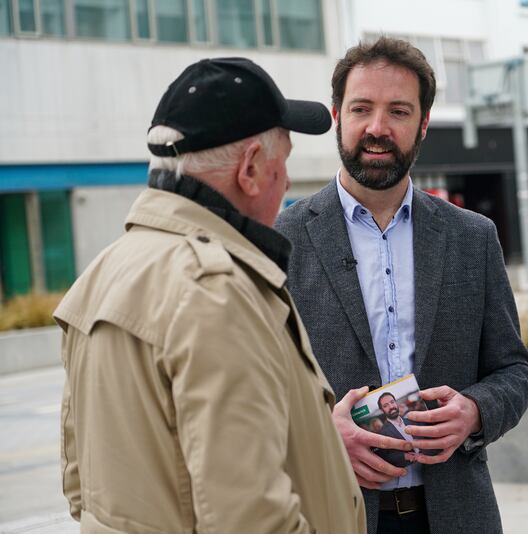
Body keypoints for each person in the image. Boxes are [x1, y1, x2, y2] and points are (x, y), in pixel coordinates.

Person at [54, 58, 366, 534]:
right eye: (283, 165)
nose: (284, 185)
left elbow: (79, 486)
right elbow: (251, 518)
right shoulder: (216, 293)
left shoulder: (103, 271)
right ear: (251, 170)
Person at [275, 37, 528, 534]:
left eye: (398, 110)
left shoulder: (472, 237)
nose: (377, 127)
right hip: (334, 512)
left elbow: (514, 370)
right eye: (361, 108)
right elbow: (253, 392)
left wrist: (476, 411)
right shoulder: (283, 241)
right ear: (337, 115)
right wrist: (320, 437)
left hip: (457, 514)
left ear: (423, 124)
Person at [374, 392, 420, 468]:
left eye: (392, 402)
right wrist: (404, 456)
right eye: (386, 406)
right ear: (382, 410)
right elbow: (386, 457)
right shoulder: (382, 433)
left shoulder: (411, 420)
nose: (391, 406)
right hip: (409, 467)